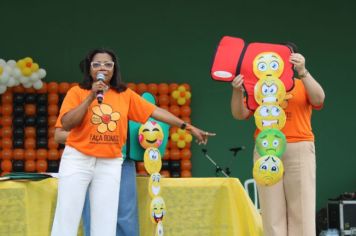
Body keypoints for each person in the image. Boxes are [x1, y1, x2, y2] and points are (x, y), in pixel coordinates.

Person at [51, 48, 215, 236]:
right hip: (79, 159)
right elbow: (67, 123)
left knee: (105, 221)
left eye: (108, 64)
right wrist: (90, 97)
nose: (102, 68)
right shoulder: (77, 92)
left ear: (114, 69)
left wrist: (187, 126)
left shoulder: (125, 95)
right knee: (67, 215)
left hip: (110, 162)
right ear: (89, 69)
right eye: (96, 64)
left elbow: (155, 111)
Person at [231, 43, 325, 236]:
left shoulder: (301, 83)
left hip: (298, 145)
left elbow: (319, 99)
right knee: (271, 209)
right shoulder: (260, 88)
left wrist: (303, 71)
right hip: (267, 149)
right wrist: (237, 90)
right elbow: (239, 114)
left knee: (302, 206)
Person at [54, 128, 139, 236]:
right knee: (94, 217)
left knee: (126, 218)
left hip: (122, 159)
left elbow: (150, 113)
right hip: (89, 158)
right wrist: (94, 136)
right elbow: (59, 135)